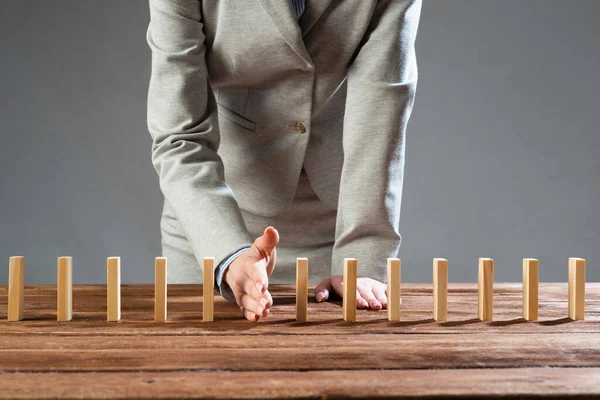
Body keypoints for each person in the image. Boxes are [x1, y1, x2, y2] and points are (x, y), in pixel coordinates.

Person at [146, 0, 421, 321]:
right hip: (210, 228)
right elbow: (180, 136)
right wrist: (228, 254)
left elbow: (380, 116)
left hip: (335, 230)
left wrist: (360, 258)